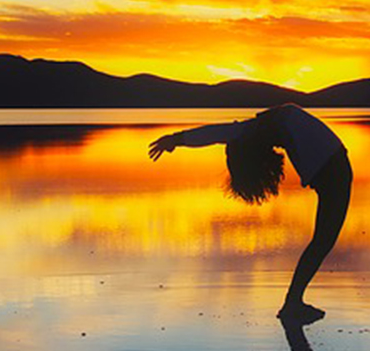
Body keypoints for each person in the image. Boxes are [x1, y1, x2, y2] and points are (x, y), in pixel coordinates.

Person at [148, 103, 352, 323]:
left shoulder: (257, 129)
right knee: (322, 242)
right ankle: (292, 303)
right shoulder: (265, 125)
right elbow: (217, 133)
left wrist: (177, 139)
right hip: (333, 171)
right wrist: (177, 139)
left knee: (322, 242)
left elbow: (216, 133)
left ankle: (293, 303)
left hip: (332, 171)